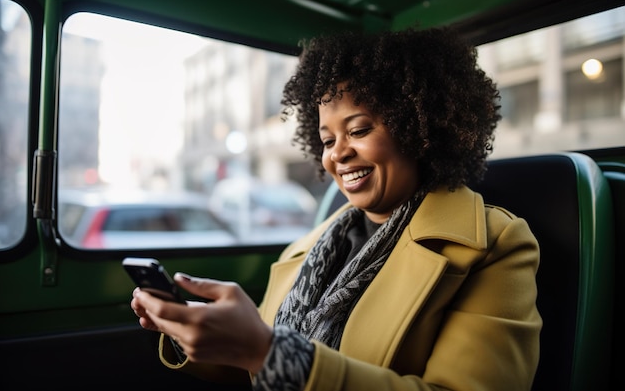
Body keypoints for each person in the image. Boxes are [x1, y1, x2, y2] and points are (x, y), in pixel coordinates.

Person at [131, 26, 542, 391]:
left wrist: (270, 352)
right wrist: (196, 331)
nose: (338, 155)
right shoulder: (308, 248)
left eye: (359, 130)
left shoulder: (494, 246)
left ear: (421, 130)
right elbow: (257, 370)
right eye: (327, 140)